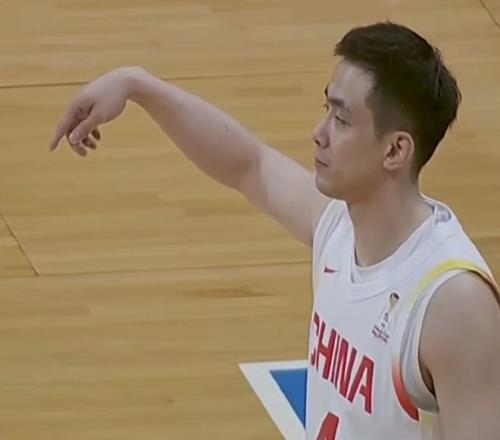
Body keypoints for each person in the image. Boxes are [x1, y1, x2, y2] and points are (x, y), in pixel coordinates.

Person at [49, 21, 499, 440]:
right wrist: (138, 85)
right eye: (326, 109)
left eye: (341, 120)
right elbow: (249, 164)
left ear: (396, 150)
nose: (319, 133)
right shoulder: (341, 227)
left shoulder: (454, 305)